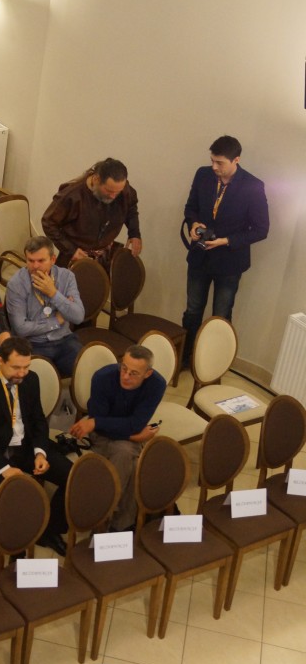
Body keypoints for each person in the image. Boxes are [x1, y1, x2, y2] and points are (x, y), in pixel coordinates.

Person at [0, 337, 72, 556]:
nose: (22, 373)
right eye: (16, 368)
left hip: (25, 446)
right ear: (0, 361)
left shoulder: (31, 379)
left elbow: (39, 420)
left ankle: (50, 531)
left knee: (71, 475)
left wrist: (40, 452)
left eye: (26, 367)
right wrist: (3, 468)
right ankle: (16, 554)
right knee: (16, 493)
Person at [180, 135, 269, 366]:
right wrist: (194, 224)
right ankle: (186, 358)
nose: (214, 167)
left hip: (229, 262)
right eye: (212, 160)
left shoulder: (253, 186)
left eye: (219, 162)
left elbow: (261, 230)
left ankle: (211, 364)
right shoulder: (203, 175)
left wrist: (226, 241)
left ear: (236, 160)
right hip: (200, 256)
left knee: (220, 316)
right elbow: (190, 207)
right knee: (192, 310)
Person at [69, 344, 165, 532]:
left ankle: (105, 518)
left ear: (147, 374)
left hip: (117, 431)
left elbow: (134, 423)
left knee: (128, 457)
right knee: (127, 453)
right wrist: (134, 436)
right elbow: (100, 425)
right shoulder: (102, 378)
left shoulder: (157, 384)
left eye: (134, 373)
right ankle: (121, 524)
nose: (126, 376)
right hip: (102, 435)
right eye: (124, 368)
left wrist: (98, 423)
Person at [41, 158, 142, 270]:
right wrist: (70, 249)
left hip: (105, 256)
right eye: (109, 191)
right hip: (76, 257)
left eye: (118, 192)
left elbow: (131, 207)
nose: (113, 196)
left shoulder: (124, 190)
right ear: (96, 179)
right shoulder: (72, 196)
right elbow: (48, 223)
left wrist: (134, 233)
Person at [5, 236, 84, 377]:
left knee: (85, 370)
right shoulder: (16, 284)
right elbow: (21, 328)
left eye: (41, 261)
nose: (35, 266)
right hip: (32, 344)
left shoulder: (67, 277)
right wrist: (57, 320)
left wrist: (53, 293)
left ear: (53, 259)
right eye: (30, 261)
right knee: (38, 379)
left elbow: (78, 316)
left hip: (64, 340)